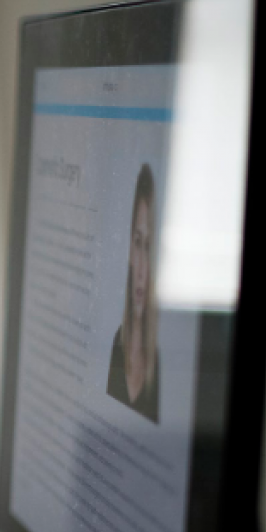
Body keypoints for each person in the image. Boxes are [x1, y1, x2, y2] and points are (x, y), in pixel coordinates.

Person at [106, 163, 159, 422]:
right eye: (138, 242)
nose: (141, 270)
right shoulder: (117, 344)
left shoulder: (158, 366)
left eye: (149, 247)